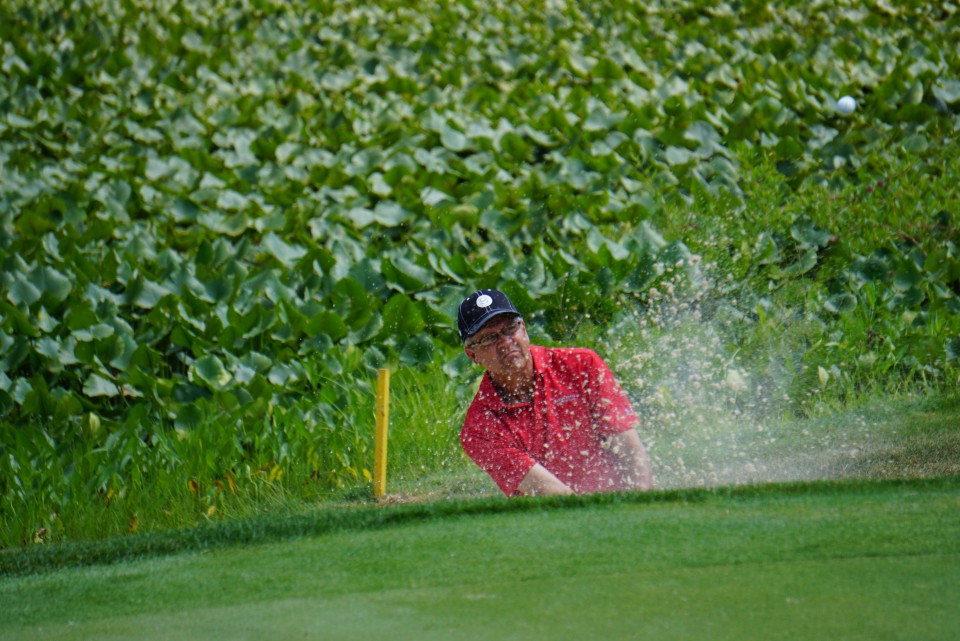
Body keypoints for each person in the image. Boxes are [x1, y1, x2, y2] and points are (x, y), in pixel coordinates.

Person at [457, 289, 653, 497]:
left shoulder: (582, 365)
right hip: (556, 514)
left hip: (622, 501)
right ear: (472, 356)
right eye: (489, 338)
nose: (505, 342)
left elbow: (630, 451)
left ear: (523, 329)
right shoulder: (478, 429)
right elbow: (553, 493)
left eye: (510, 328)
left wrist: (641, 503)